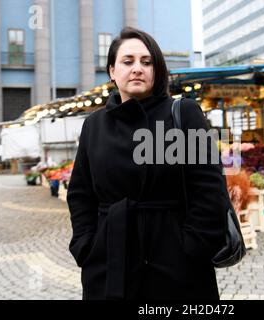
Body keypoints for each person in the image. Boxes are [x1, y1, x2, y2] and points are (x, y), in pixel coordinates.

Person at [67, 27, 228, 300]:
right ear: (112, 71)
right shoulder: (94, 125)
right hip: (109, 261)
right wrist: (86, 246)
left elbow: (210, 191)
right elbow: (81, 193)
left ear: (157, 69)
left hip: (176, 266)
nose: (137, 69)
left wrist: (191, 248)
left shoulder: (183, 114)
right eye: (127, 61)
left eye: (146, 61)